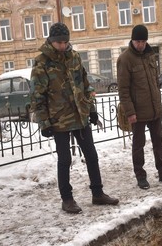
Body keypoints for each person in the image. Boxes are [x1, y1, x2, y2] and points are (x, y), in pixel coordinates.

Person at [30, 22, 119, 214]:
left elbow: (85, 85)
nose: (63, 46)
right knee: (65, 159)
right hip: (59, 119)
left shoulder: (75, 57)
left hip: (80, 116)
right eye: (59, 42)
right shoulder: (42, 62)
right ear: (51, 41)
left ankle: (98, 193)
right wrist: (44, 122)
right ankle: (67, 199)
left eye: (65, 42)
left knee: (91, 155)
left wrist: (91, 110)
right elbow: (38, 95)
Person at [117, 24, 162, 190]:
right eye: (138, 41)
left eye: (143, 41)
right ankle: (140, 175)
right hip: (137, 111)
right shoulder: (125, 59)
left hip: (154, 109)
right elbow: (123, 90)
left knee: (159, 141)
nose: (141, 45)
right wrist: (129, 112)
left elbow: (155, 81)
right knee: (139, 145)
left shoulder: (150, 55)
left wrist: (158, 103)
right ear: (132, 40)